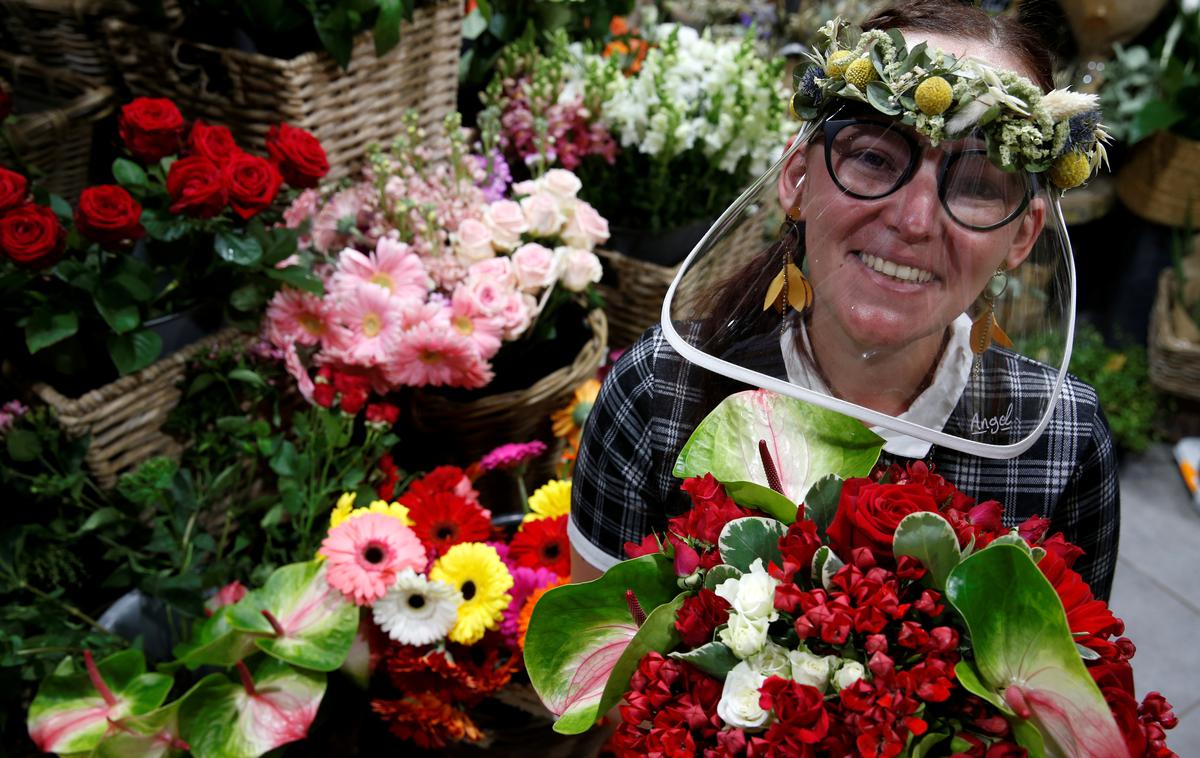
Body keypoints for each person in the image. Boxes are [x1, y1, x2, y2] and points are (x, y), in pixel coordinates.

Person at [570, 0, 1121, 600]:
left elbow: (1069, 681)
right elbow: (595, 674)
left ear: (1022, 235)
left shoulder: (1062, 441)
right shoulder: (660, 391)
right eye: (873, 157)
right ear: (797, 179)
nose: (914, 221)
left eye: (977, 185)